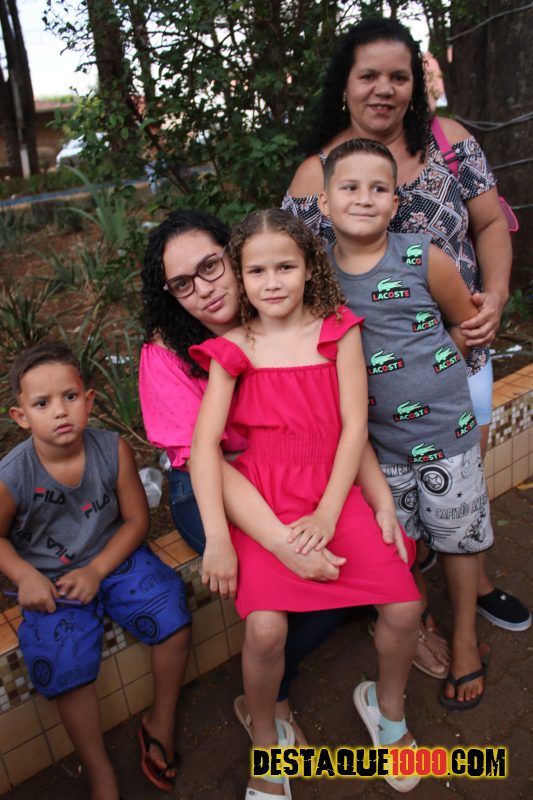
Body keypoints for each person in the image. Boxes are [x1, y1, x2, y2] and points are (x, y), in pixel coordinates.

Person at [282, 16, 530, 637]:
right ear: (345, 84)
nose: (384, 89)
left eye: (399, 76)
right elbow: (292, 278)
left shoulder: (449, 141)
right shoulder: (317, 175)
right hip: (372, 383)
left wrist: (496, 296)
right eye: (368, 75)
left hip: (463, 356)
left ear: (415, 85)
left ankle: (477, 585)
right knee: (395, 503)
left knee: (461, 482)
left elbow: (491, 224)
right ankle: (408, 615)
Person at [139, 208, 405, 744]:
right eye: (182, 283)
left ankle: (282, 685)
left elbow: (342, 428)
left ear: (233, 257)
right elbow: (208, 458)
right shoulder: (175, 354)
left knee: (340, 579)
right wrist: (280, 543)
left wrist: (377, 499)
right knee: (282, 602)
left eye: (211, 266)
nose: (203, 288)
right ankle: (269, 705)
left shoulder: (310, 326)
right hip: (212, 487)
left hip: (307, 476)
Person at [319, 137, 494, 710]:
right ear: (324, 202)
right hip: (378, 448)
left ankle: (464, 638)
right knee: (401, 543)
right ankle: (416, 624)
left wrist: (437, 371)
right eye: (350, 187)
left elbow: (465, 325)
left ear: (395, 203)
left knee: (459, 541)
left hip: (447, 436)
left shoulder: (423, 256)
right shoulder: (317, 279)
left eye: (379, 188)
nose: (364, 198)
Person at [0, 343, 191, 798]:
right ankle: (99, 767)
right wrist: (25, 576)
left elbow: (137, 520)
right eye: (42, 403)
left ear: (88, 400)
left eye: (69, 397)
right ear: (21, 416)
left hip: (115, 558)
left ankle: (160, 722)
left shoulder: (112, 449)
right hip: (53, 582)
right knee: (63, 664)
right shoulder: (12, 476)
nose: (59, 411)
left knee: (173, 615)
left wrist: (98, 570)